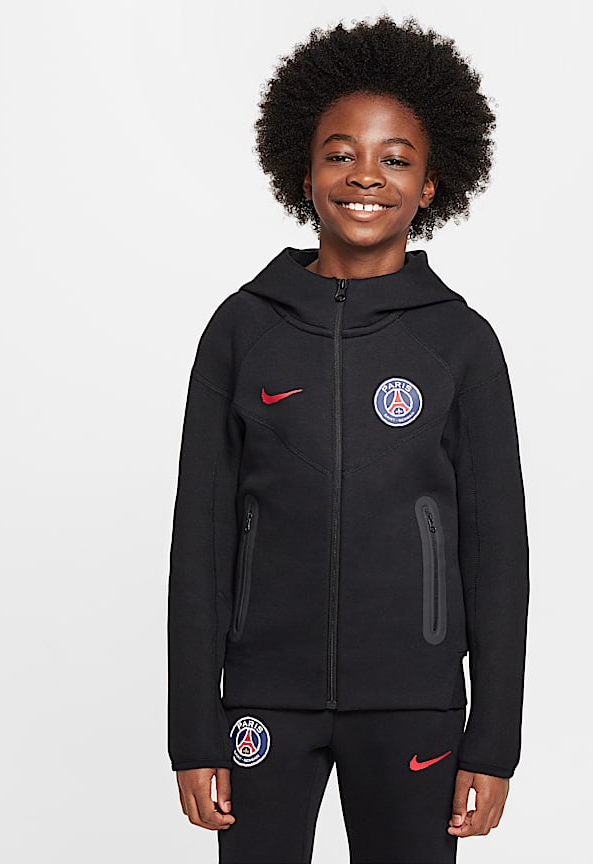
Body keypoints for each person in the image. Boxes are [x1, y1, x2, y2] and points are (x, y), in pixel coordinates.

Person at [167, 16, 530, 864]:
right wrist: (192, 731)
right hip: (262, 701)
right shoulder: (241, 330)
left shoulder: (460, 343)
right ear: (304, 171)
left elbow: (498, 553)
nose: (366, 175)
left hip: (415, 703)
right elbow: (200, 542)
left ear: (432, 185)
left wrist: (493, 742)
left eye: (395, 159)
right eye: (340, 154)